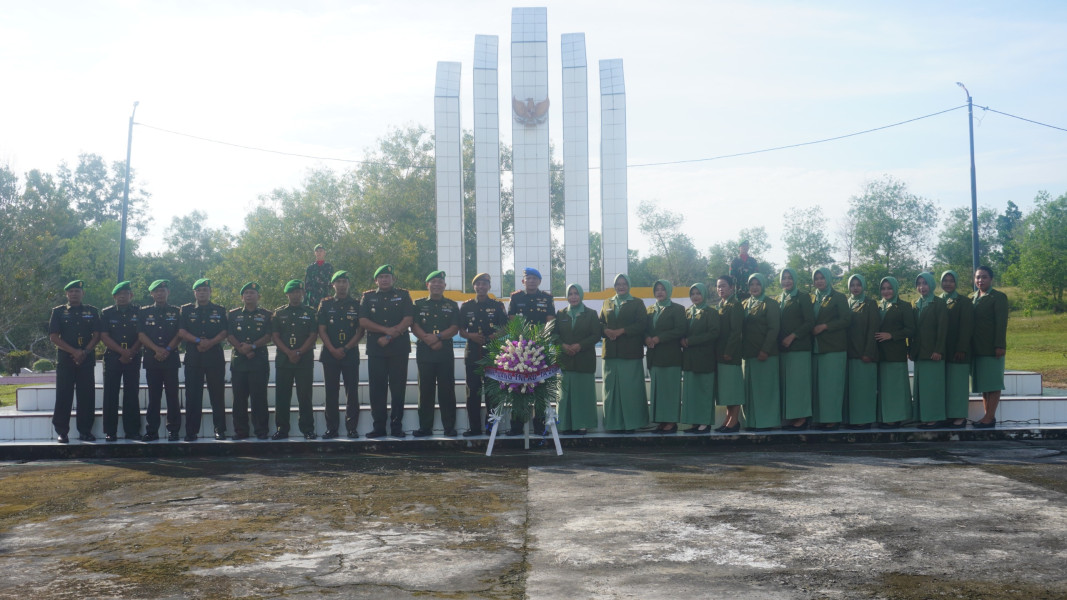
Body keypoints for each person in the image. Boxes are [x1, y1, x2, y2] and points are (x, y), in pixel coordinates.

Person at [359, 265, 415, 438]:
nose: (384, 280)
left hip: (398, 349)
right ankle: (379, 427)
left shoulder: (403, 295)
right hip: (376, 349)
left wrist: (390, 336)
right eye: (381, 277)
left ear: (393, 279)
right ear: (376, 280)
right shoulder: (368, 297)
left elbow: (408, 319)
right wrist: (386, 330)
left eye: (387, 276)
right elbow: (363, 321)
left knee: (398, 389)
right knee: (377, 389)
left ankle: (396, 426)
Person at [48, 280, 101, 443]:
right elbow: (54, 337)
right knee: (64, 396)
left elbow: (97, 335)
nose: (74, 294)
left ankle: (85, 431)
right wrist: (74, 351)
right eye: (70, 291)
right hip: (66, 360)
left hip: (86, 359)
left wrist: (84, 352)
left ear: (82, 293)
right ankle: (62, 432)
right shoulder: (58, 312)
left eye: (77, 291)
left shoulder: (92, 311)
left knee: (86, 396)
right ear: (66, 294)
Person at [546, 283, 602, 435]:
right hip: (565, 360)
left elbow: (596, 335)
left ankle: (582, 424)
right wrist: (563, 345)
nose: (573, 297)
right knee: (564, 396)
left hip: (584, 360)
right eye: (570, 294)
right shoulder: (561, 314)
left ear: (581, 295)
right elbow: (554, 334)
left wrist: (580, 346)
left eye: (576, 293)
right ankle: (565, 424)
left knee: (583, 394)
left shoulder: (591, 314)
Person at [506, 267, 557, 435]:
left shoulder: (547, 298)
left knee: (541, 387)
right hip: (520, 349)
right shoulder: (516, 297)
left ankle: (540, 425)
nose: (532, 281)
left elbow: (550, 321)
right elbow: (512, 320)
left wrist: (540, 338)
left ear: (540, 281)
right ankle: (516, 425)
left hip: (540, 347)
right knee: (518, 386)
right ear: (523, 281)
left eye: (535, 278)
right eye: (529, 278)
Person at [178, 278, 229, 440]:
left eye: (205, 290)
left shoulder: (219, 310)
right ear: (195, 293)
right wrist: (199, 341)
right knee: (192, 395)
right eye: (199, 290)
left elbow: (224, 331)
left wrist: (210, 343)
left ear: (210, 292)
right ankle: (191, 431)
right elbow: (181, 331)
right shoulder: (186, 310)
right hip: (194, 357)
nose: (202, 293)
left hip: (214, 357)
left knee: (217, 395)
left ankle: (220, 429)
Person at [411, 270, 461, 437]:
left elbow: (454, 328)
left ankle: (449, 427)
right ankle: (425, 427)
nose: (437, 285)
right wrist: (428, 339)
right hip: (425, 352)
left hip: (444, 352)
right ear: (428, 285)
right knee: (425, 390)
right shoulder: (418, 304)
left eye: (440, 282)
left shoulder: (452, 305)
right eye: (434, 282)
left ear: (444, 285)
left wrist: (438, 337)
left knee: (447, 390)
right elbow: (414, 326)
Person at [458, 273, 508, 436]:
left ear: (489, 287)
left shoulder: (497, 306)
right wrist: (471, 336)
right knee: (472, 391)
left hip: (492, 353)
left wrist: (493, 336)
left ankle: (491, 427)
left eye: (484, 284)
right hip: (472, 353)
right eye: (478, 284)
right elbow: (461, 330)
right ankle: (474, 427)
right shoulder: (466, 306)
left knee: (492, 391)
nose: (481, 287)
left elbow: (505, 328)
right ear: (474, 287)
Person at [317, 271, 364, 438]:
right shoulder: (325, 304)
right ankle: (332, 428)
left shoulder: (357, 305)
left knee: (352, 392)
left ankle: (352, 427)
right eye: (339, 282)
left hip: (350, 354)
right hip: (330, 354)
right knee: (331, 392)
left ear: (348, 284)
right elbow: (321, 330)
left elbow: (360, 331)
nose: (342, 285)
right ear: (333, 285)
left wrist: (345, 349)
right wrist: (332, 349)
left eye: (344, 281)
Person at [600, 273, 648, 433]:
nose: (621, 287)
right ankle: (613, 424)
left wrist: (622, 331)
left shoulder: (637, 303)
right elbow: (600, 323)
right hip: (611, 354)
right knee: (611, 390)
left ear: (629, 285)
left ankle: (632, 424)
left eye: (624, 284)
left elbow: (642, 324)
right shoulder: (607, 302)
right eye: (618, 284)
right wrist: (606, 330)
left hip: (630, 353)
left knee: (630, 390)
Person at [272, 280, 319, 439]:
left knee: (305, 396)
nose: (296, 295)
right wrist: (289, 352)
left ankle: (307, 429)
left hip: (304, 359)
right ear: (287, 294)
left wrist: (299, 352)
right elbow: (275, 336)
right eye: (292, 292)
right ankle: (282, 429)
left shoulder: (311, 312)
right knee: (282, 396)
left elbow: (313, 335)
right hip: (284, 360)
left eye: (298, 292)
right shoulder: (279, 313)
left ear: (303, 293)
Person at [137, 279, 183, 441]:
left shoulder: (177, 311)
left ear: (168, 292)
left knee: (173, 396)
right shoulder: (144, 312)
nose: (160, 294)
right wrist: (157, 349)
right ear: (152, 294)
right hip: (152, 359)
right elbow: (141, 335)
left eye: (162, 291)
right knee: (154, 396)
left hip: (171, 358)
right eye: (156, 291)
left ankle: (174, 430)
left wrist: (167, 349)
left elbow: (179, 334)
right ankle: (152, 431)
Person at [227, 282, 273, 440]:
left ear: (258, 296)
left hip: (258, 361)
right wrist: (241, 348)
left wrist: (252, 346)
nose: (249, 295)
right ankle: (241, 431)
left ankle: (261, 430)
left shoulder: (267, 315)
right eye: (246, 293)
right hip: (239, 362)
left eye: (252, 293)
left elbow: (269, 335)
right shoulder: (233, 315)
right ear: (242, 297)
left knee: (259, 398)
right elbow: (229, 334)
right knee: (239, 399)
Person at [99, 281, 142, 442]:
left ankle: (132, 430)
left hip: (133, 356)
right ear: (114, 297)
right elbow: (104, 336)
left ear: (131, 295)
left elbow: (142, 335)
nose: (122, 297)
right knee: (110, 395)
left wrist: (131, 352)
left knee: (132, 394)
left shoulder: (139, 312)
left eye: (125, 294)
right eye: (119, 295)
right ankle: (110, 431)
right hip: (113, 357)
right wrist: (122, 351)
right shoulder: (107, 313)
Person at [810, 268, 851, 430]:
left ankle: (833, 419)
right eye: (816, 278)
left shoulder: (838, 297)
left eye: (822, 278)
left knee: (831, 386)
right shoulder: (812, 298)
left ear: (828, 279)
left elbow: (846, 320)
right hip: (816, 348)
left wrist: (825, 326)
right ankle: (820, 419)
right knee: (818, 387)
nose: (819, 281)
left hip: (834, 348)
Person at [646, 280, 686, 434]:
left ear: (669, 291)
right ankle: (662, 422)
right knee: (659, 392)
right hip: (654, 356)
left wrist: (660, 338)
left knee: (670, 391)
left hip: (670, 357)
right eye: (657, 289)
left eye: (663, 289)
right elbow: (644, 329)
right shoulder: (650, 310)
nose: (660, 292)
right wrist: (646, 338)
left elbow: (680, 329)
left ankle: (671, 422)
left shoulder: (677, 309)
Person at [741, 274, 781, 430]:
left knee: (765, 390)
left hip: (766, 355)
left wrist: (765, 350)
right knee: (750, 391)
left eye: (758, 284)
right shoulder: (744, 304)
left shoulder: (770, 304)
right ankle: (751, 422)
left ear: (763, 285)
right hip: (748, 355)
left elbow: (774, 328)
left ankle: (767, 423)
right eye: (752, 284)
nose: (755, 287)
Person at [971, 265, 1008, 429]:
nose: (980, 280)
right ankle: (988, 416)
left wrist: (999, 345)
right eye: (978, 277)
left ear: (991, 279)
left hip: (992, 348)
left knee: (993, 383)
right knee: (985, 385)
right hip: (977, 348)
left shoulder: (998, 297)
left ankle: (989, 417)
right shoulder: (973, 297)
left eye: (984, 277)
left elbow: (1001, 323)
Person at [874, 277, 914, 428]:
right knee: (884, 388)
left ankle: (896, 418)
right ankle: (885, 416)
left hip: (895, 352)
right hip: (880, 353)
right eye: (883, 288)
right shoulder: (878, 306)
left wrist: (891, 335)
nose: (886, 291)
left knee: (896, 387)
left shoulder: (904, 306)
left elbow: (911, 329)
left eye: (889, 288)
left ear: (896, 289)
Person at [680, 283, 719, 433]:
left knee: (704, 391)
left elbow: (713, 333)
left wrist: (691, 341)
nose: (695, 296)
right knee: (692, 392)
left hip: (704, 358)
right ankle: (695, 423)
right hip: (689, 359)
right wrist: (682, 339)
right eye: (693, 293)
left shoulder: (711, 312)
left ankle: (705, 423)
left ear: (704, 294)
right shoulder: (688, 312)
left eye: (698, 293)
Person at [777, 268, 814, 431]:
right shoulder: (779, 298)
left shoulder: (803, 297)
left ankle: (802, 418)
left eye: (790, 278)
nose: (787, 281)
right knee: (789, 385)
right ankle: (792, 418)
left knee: (799, 384)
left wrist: (793, 336)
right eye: (784, 278)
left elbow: (809, 322)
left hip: (799, 348)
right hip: (784, 350)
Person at [911, 272, 948, 428]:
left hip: (933, 353)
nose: (922, 287)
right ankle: (924, 417)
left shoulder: (939, 303)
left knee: (933, 388)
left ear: (931, 285)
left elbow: (942, 328)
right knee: (923, 388)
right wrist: (911, 349)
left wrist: (938, 350)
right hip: (919, 353)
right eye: (919, 284)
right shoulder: (915, 304)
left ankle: (934, 418)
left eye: (925, 283)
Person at [845, 275, 880, 429]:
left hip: (865, 354)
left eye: (858, 284)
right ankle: (853, 420)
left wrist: (868, 352)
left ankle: (865, 420)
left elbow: (873, 328)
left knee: (864, 389)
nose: (855, 288)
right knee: (853, 391)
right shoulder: (847, 303)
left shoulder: (870, 303)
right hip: (850, 353)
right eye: (852, 285)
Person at [940, 270, 973, 428]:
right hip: (942, 350)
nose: (947, 283)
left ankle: (959, 416)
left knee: (958, 384)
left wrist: (961, 348)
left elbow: (967, 327)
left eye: (951, 280)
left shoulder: (964, 302)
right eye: (945, 280)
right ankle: (948, 415)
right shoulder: (937, 300)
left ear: (956, 282)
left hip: (958, 350)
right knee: (946, 385)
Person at [714, 275, 744, 433]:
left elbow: (736, 331)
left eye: (724, 285)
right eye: (718, 286)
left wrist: (729, 351)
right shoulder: (721, 305)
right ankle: (728, 419)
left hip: (730, 354)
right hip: (720, 353)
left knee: (733, 389)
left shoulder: (735, 305)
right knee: (726, 389)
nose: (720, 289)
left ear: (731, 287)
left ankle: (734, 421)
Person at [304, 244, 334, 312]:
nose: (319, 253)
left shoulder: (329, 267)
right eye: (317, 251)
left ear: (324, 253)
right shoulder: (310, 268)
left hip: (325, 296)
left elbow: (331, 283)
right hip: (313, 298)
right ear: (314, 253)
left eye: (321, 251)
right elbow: (307, 285)